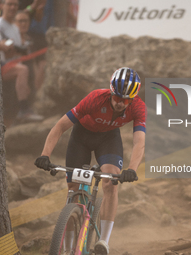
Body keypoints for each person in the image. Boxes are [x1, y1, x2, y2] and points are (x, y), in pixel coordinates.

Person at [35, 67, 146, 255]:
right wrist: (45, 155)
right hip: (81, 137)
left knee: (111, 182)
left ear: (132, 99)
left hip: (108, 139)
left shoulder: (138, 107)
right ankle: (70, 248)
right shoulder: (95, 98)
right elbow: (60, 126)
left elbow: (139, 141)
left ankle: (104, 240)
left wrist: (132, 169)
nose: (120, 103)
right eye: (117, 97)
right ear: (111, 92)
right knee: (73, 188)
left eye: (126, 100)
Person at [0, 0, 44, 124]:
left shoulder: (14, 27)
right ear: (2, 5)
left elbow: (17, 52)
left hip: (12, 66)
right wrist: (5, 45)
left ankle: (21, 116)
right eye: (10, 4)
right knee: (23, 70)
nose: (13, 7)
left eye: (15, 4)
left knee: (26, 79)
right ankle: (24, 110)